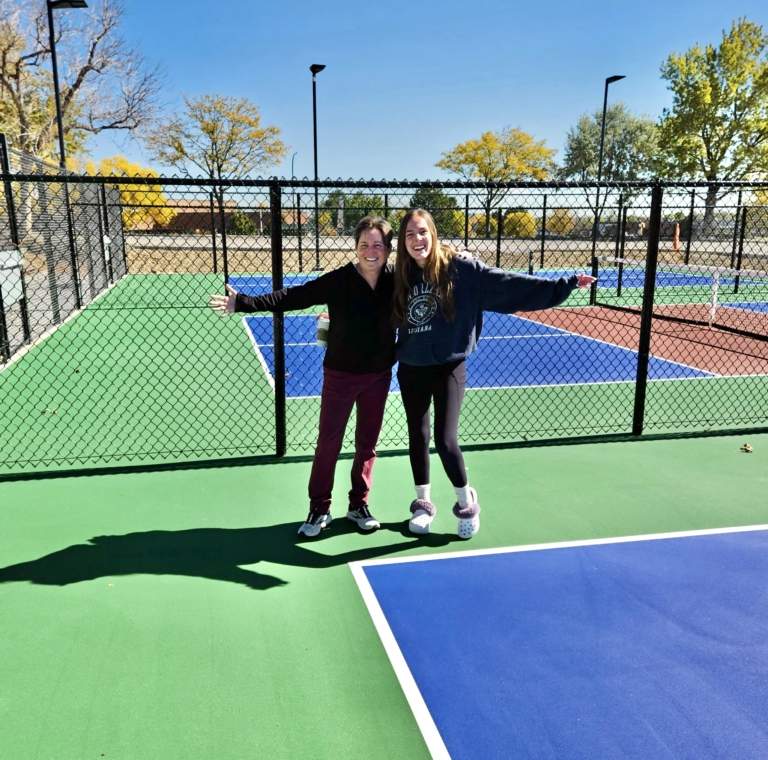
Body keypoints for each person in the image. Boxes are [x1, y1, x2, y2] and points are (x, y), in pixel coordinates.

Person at [392, 208, 596, 540]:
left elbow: (508, 285)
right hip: (412, 368)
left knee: (445, 441)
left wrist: (564, 285)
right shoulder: (399, 276)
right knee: (418, 437)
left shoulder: (461, 269)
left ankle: (466, 502)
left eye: (423, 232)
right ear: (403, 241)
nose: (417, 240)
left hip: (448, 366)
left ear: (433, 233)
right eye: (410, 234)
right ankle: (423, 504)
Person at [209, 216, 395, 538]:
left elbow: (433, 274)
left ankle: (358, 505)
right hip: (340, 374)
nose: (370, 251)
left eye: (377, 244)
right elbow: (293, 296)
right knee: (328, 443)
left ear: (388, 249)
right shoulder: (338, 280)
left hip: (378, 376)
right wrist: (243, 303)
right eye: (364, 244)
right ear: (356, 247)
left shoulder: (397, 279)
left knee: (367, 445)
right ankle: (319, 508)